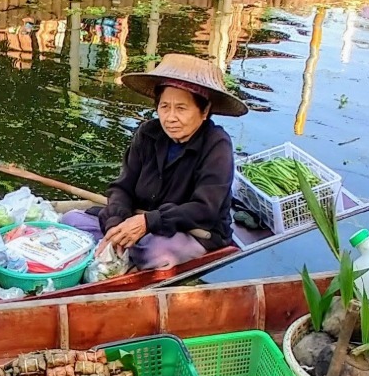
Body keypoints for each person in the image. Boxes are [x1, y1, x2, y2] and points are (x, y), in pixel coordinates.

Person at [61, 54, 246, 271]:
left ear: (204, 111)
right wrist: (116, 224)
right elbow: (122, 187)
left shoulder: (217, 145)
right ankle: (120, 252)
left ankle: (123, 261)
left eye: (181, 108)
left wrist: (148, 222)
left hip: (190, 231)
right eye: (164, 107)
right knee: (70, 221)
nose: (170, 117)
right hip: (137, 219)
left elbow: (204, 209)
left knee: (157, 255)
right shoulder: (148, 133)